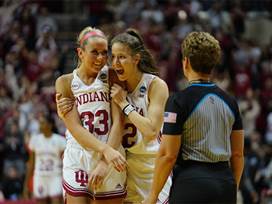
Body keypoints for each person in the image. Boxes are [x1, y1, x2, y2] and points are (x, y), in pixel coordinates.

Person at [143, 31, 244, 204]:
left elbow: (168, 155)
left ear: (186, 62)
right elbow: (237, 155)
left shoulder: (178, 101)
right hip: (225, 184)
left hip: (190, 184)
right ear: (213, 63)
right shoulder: (231, 102)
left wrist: (152, 197)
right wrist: (231, 188)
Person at [55, 26, 126, 204]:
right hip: (79, 156)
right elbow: (75, 128)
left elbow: (119, 122)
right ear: (80, 53)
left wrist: (104, 160)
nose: (101, 58)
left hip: (110, 153)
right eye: (95, 52)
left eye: (104, 53)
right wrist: (106, 151)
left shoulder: (111, 75)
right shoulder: (65, 82)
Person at [110, 28, 171, 204]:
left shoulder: (155, 85)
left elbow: (151, 130)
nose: (116, 63)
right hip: (125, 169)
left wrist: (124, 104)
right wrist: (66, 101)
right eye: (113, 57)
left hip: (152, 167)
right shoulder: (113, 85)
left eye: (121, 57)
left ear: (136, 59)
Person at [23, 113, 66, 204]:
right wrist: (26, 185)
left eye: (43, 123)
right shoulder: (34, 140)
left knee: (56, 201)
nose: (40, 125)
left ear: (50, 125)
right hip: (40, 176)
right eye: (40, 123)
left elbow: (65, 164)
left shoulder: (60, 140)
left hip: (55, 176)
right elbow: (31, 164)